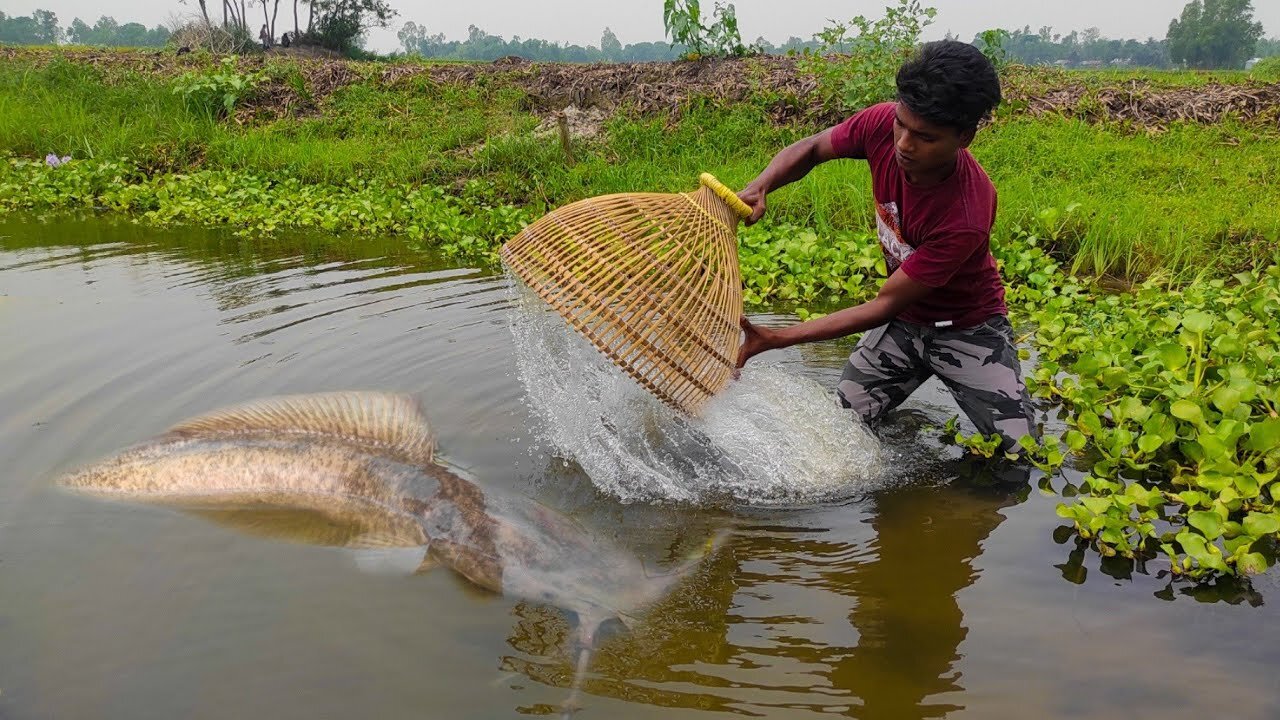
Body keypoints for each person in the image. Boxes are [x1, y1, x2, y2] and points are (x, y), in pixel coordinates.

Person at [735, 40, 1035, 452]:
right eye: (902, 125)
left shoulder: (966, 214)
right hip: (905, 326)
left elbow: (882, 305)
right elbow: (812, 148)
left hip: (967, 329)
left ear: (964, 136)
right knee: (840, 430)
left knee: (1019, 454)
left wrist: (777, 338)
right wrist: (760, 185)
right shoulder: (883, 124)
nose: (904, 145)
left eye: (926, 137)